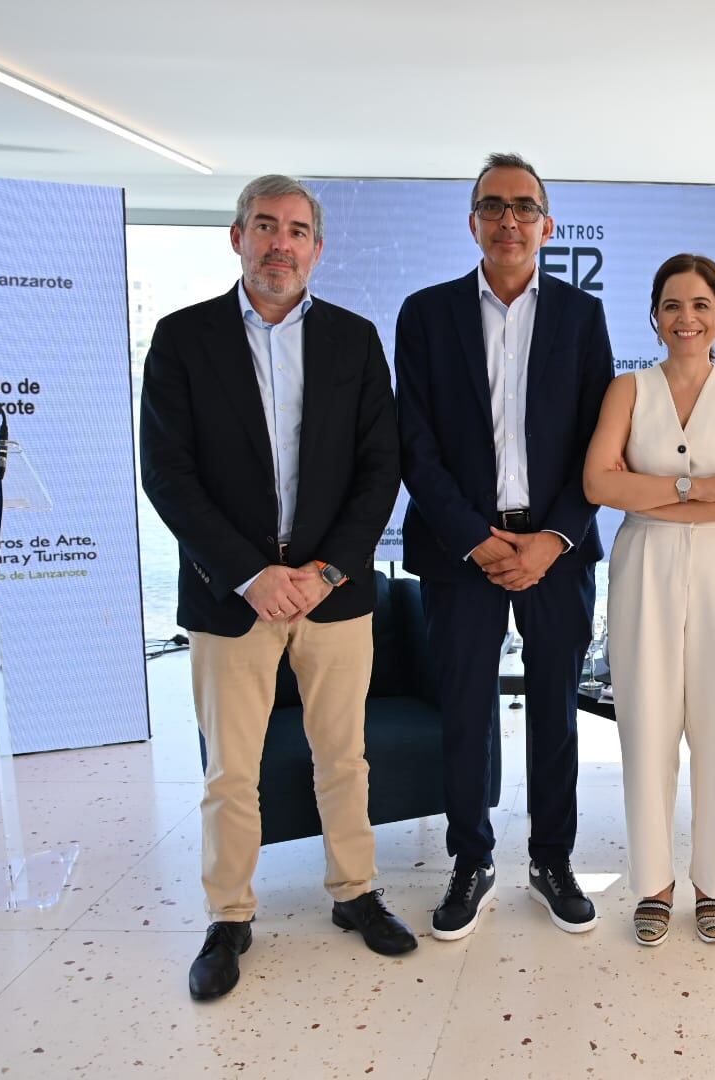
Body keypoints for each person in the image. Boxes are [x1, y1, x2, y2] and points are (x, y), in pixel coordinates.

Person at [141, 174, 413, 1002]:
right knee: (232, 769)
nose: (280, 244)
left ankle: (354, 892)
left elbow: (380, 469)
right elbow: (169, 474)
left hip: (334, 590)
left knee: (345, 756)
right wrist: (252, 575)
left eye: (297, 230)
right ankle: (228, 917)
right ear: (236, 238)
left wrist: (326, 571)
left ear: (317, 249)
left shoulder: (354, 340)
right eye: (265, 226)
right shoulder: (182, 338)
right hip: (233, 596)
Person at [395, 152, 615, 940]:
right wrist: (473, 539)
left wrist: (554, 539)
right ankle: (471, 857)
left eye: (524, 207)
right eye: (494, 206)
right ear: (474, 224)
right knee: (465, 709)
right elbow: (413, 442)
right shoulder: (425, 314)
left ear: (546, 225)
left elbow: (599, 439)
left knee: (556, 710)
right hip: (462, 551)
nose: (510, 220)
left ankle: (552, 859)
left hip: (556, 549)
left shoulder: (580, 317)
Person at [582, 254, 715, 945]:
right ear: (654, 317)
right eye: (671, 305)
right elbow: (598, 485)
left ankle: (713, 883)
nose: (685, 318)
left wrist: (654, 489)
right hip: (645, 568)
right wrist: (698, 489)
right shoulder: (627, 391)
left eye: (699, 305)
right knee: (647, 723)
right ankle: (653, 884)